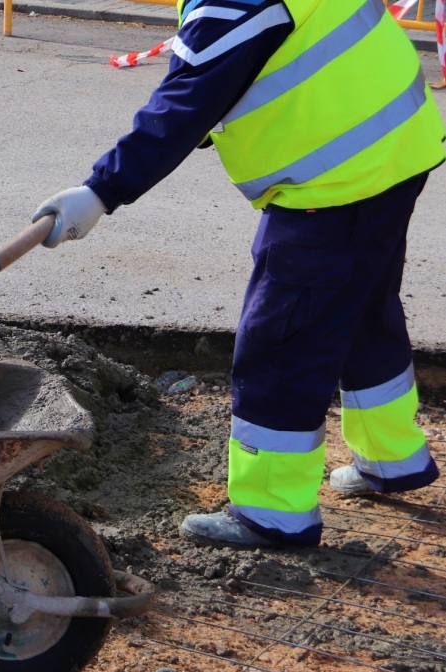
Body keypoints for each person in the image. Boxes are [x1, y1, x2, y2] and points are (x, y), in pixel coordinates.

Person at [33, 0, 443, 547]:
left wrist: (101, 191)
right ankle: (394, 458)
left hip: (337, 182)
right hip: (393, 151)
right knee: (363, 311)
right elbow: (242, 68)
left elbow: (185, 103)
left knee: (281, 343)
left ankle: (274, 513)